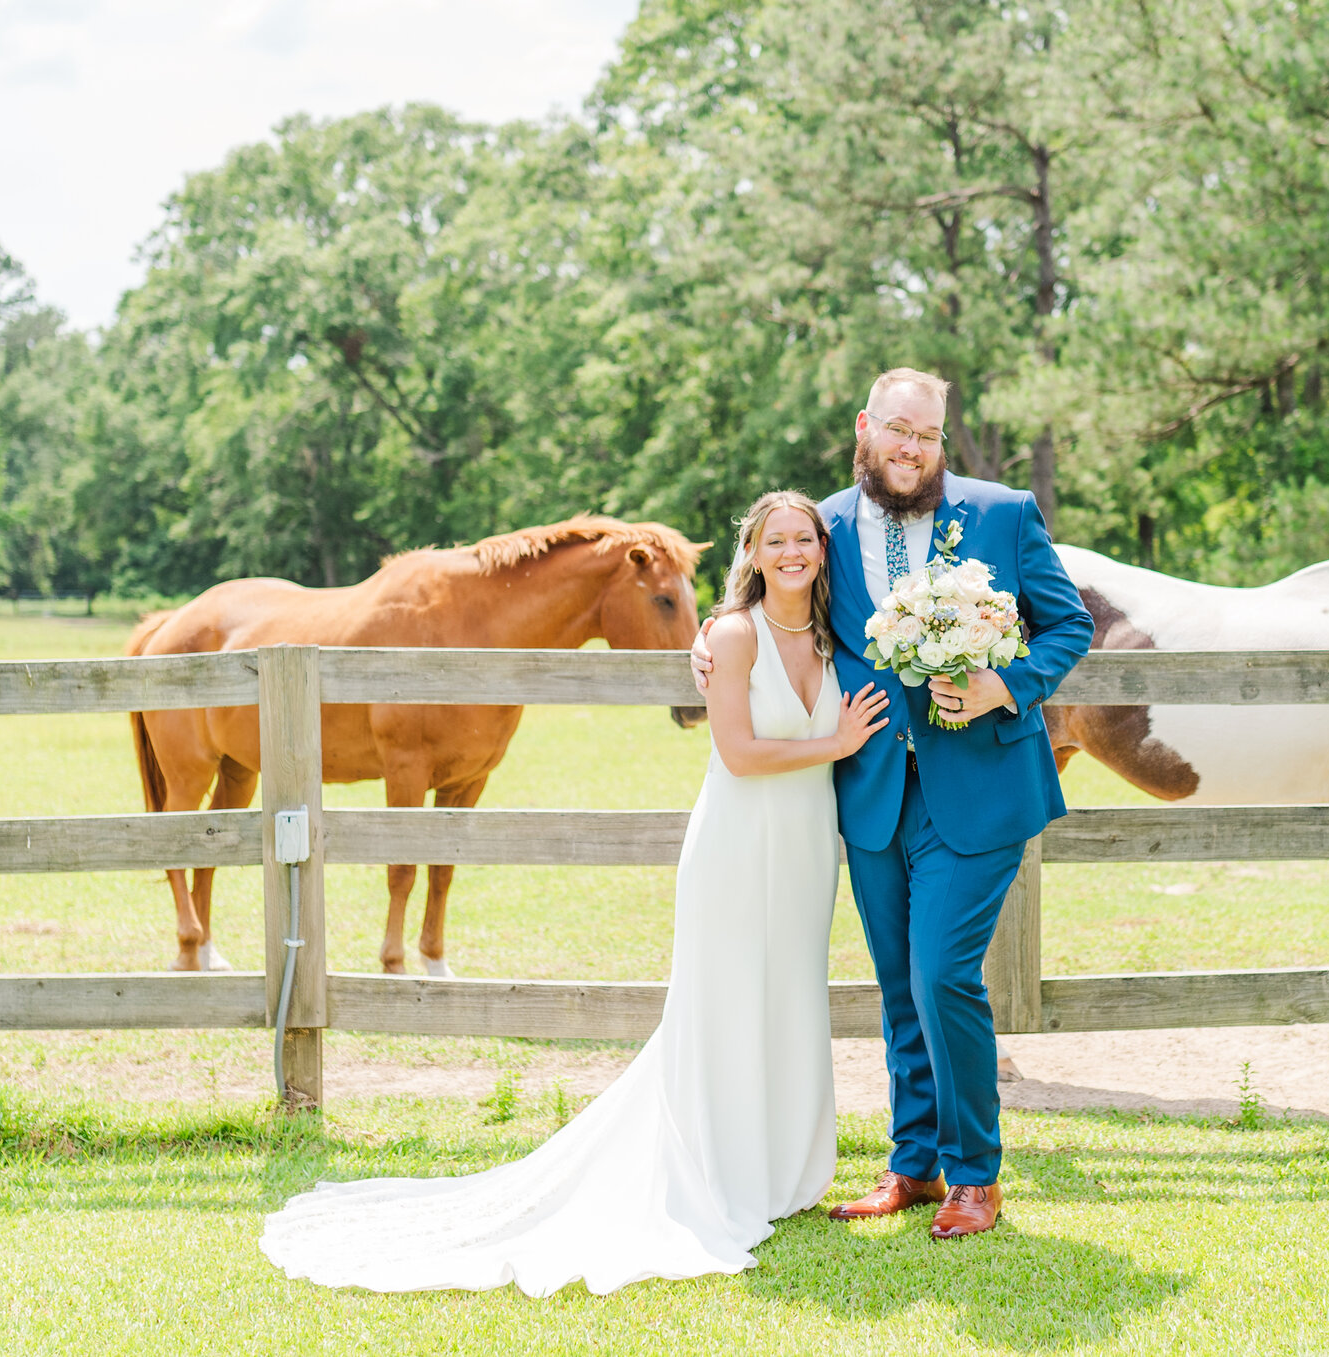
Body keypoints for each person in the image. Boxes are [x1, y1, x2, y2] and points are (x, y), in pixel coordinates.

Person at [260, 491, 888, 1296]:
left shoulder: (838, 640)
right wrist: (832, 739)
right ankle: (717, 1171)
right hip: (736, 844)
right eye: (778, 539)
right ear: (755, 552)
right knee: (724, 997)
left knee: (790, 992)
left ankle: (783, 1171)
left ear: (823, 552)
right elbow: (735, 752)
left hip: (804, 847)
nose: (794, 551)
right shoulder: (732, 636)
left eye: (807, 538)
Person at [692, 367, 1093, 1240]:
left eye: (930, 435)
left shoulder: (1003, 512)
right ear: (867, 426)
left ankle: (975, 1173)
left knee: (943, 972)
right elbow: (771, 588)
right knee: (896, 985)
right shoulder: (825, 523)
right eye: (899, 431)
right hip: (870, 790)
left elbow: (1069, 625)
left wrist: (1004, 684)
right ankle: (910, 1163)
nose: (913, 449)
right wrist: (711, 634)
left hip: (980, 783)